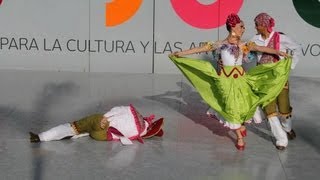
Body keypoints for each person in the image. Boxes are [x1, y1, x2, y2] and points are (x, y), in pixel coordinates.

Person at [169, 13, 291, 150]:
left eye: (243, 27)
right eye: (241, 27)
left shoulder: (244, 45)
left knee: (241, 106)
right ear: (233, 27)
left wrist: (278, 52)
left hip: (240, 81)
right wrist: (180, 53)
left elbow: (260, 48)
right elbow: (200, 49)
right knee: (230, 108)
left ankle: (240, 126)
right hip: (226, 82)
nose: (243, 29)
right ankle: (239, 136)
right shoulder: (220, 45)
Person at [250, 12, 302, 150]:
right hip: (264, 80)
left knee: (284, 109)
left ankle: (287, 128)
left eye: (257, 24)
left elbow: (297, 48)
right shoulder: (255, 39)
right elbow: (249, 54)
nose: (255, 27)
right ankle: (281, 139)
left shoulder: (281, 38)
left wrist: (289, 66)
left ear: (264, 25)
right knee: (270, 110)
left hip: (279, 78)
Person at [29, 104, 164, 145]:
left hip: (102, 127)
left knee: (78, 125)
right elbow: (122, 137)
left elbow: (118, 110)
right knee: (84, 129)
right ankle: (71, 134)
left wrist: (105, 118)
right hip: (102, 135)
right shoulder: (137, 133)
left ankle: (41, 137)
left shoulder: (134, 113)